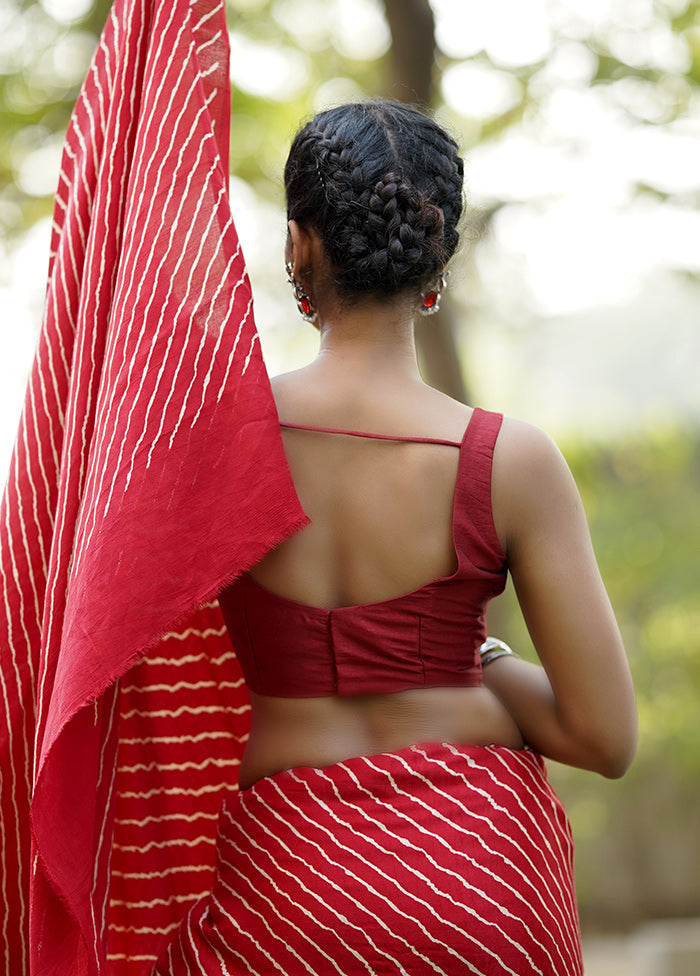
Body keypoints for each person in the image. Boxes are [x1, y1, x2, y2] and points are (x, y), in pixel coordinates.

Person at [152, 100, 637, 976]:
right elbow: (603, 738)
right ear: (436, 250)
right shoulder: (509, 461)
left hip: (286, 897)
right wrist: (484, 661)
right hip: (480, 882)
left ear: (300, 244)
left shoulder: (210, 444)